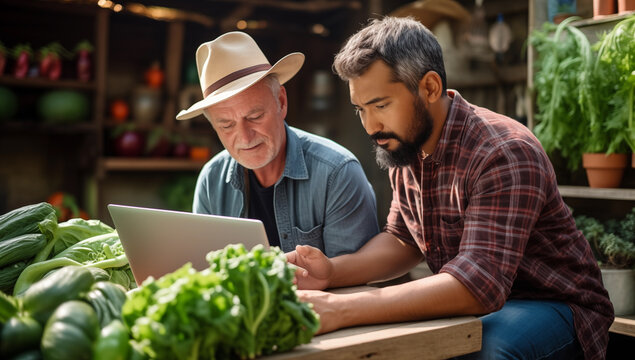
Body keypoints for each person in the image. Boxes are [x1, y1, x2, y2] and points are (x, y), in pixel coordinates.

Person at [287, 17, 614, 359]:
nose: (371, 126)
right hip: (482, 302)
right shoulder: (406, 145)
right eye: (361, 109)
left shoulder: (504, 153)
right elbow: (403, 239)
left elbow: (477, 287)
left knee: (476, 352)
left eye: (381, 105)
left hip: (554, 305)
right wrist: (332, 273)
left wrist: (342, 309)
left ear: (429, 88)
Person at [175, 31, 379, 257]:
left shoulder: (337, 173)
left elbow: (352, 282)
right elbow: (207, 273)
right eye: (226, 125)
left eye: (254, 117)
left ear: (281, 102)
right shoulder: (211, 180)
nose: (245, 137)